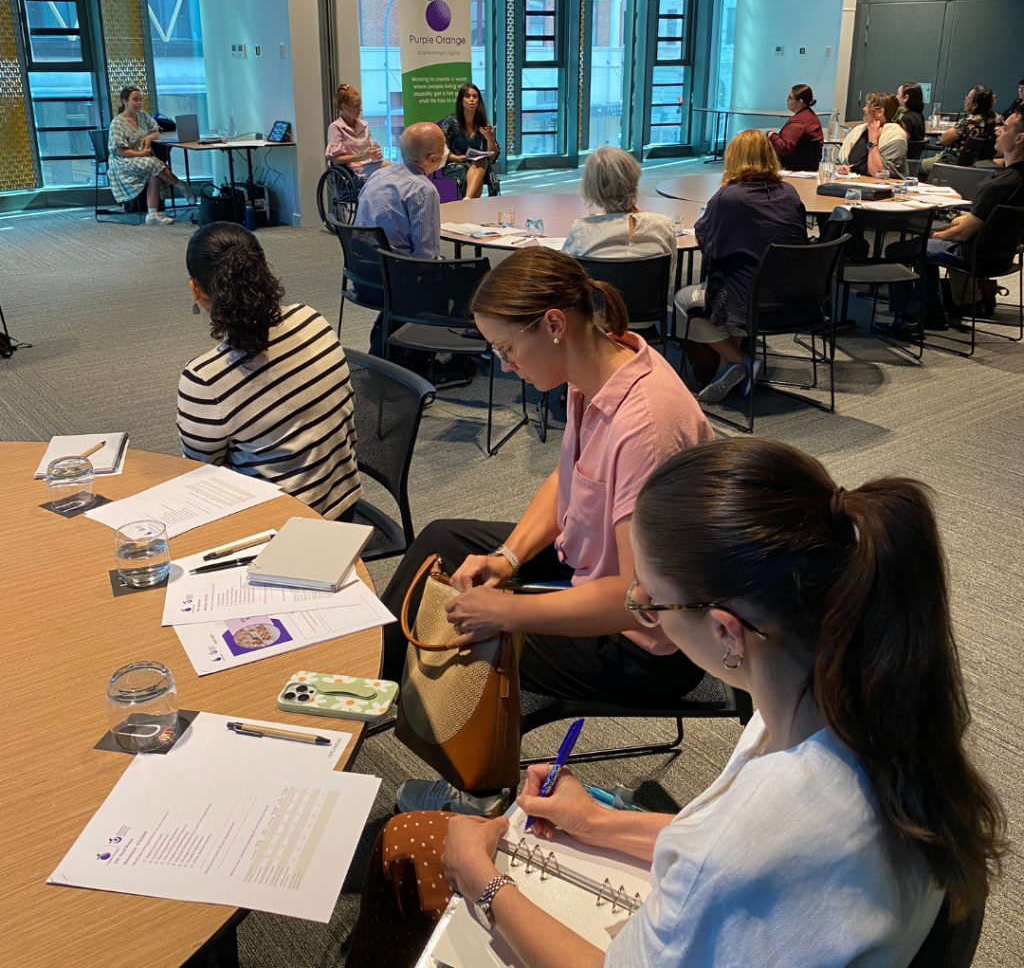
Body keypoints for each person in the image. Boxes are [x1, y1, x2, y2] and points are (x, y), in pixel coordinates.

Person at [346, 437, 1007, 968]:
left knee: (416, 846)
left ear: (725, 630)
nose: (637, 609)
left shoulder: (763, 826)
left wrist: (483, 881)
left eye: (649, 600)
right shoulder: (853, 703)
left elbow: (715, 861)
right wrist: (597, 823)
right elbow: (712, 847)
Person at [376, 247, 713, 817]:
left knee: (479, 636)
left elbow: (639, 602)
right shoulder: (596, 370)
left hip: (648, 648)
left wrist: (507, 613)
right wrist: (506, 559)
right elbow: (568, 481)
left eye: (506, 349)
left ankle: (478, 795)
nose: (504, 365)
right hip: (596, 574)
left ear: (554, 324)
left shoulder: (645, 425)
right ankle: (374, 688)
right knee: (443, 541)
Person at [177, 222, 361, 520]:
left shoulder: (204, 379)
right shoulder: (312, 320)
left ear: (196, 290)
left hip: (279, 529)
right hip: (343, 506)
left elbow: (201, 474)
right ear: (265, 271)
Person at [674, 129, 808, 403]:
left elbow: (708, 242)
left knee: (682, 301)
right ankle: (728, 366)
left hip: (749, 297)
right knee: (735, 280)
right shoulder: (790, 193)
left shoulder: (730, 197)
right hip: (795, 295)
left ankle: (743, 361)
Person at [887, 107, 1024, 335]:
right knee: (925, 246)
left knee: (898, 249)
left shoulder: (996, 187)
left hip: (974, 256)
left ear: (1020, 138)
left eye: (1005, 128)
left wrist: (933, 235)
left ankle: (908, 320)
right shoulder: (1015, 182)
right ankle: (933, 314)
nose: (998, 131)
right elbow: (976, 222)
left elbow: (962, 235)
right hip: (1002, 256)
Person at [561, 146, 675, 277]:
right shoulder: (663, 225)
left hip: (599, 297)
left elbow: (567, 278)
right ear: (634, 177)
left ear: (591, 187)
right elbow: (669, 274)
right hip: (652, 297)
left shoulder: (581, 231)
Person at [354, 122, 445, 260]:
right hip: (399, 274)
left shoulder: (378, 175)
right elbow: (425, 257)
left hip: (362, 270)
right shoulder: (424, 190)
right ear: (432, 158)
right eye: (443, 148)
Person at [107, 86, 194, 225]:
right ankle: (182, 186)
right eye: (135, 99)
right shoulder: (117, 123)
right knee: (153, 163)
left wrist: (148, 138)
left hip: (143, 157)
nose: (139, 103)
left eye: (140, 99)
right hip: (124, 160)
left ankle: (152, 213)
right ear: (125, 101)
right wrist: (141, 153)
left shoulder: (142, 116)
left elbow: (156, 131)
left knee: (154, 167)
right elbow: (120, 150)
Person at [440, 83, 501, 198]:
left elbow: (493, 156)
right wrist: (458, 158)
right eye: (467, 96)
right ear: (461, 100)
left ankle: (467, 200)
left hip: (476, 163)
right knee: (479, 178)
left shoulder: (482, 123)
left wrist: (490, 138)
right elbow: (440, 150)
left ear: (478, 101)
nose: (472, 99)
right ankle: (470, 204)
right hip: (455, 163)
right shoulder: (450, 122)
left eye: (475, 96)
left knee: (482, 161)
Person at [921, 85, 997, 174]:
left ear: (975, 105)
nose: (965, 100)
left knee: (913, 166)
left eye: (968, 98)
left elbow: (944, 140)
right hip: (972, 165)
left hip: (950, 162)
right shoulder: (990, 122)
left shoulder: (969, 122)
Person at [325, 82, 390, 179]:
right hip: (352, 170)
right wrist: (361, 156)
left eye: (360, 105)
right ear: (344, 107)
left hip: (368, 165)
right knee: (388, 168)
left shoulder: (364, 125)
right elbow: (336, 160)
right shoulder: (335, 128)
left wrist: (376, 154)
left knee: (393, 167)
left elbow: (374, 149)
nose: (360, 109)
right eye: (356, 106)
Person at [837, 91, 908, 177]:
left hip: (885, 188)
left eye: (867, 105)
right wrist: (846, 169)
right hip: (854, 184)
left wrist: (873, 140)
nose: (864, 108)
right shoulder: (859, 130)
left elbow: (879, 173)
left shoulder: (895, 135)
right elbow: (839, 163)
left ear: (880, 112)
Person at [767, 83, 823, 171]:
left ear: (800, 102)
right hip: (810, 168)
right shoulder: (813, 117)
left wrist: (772, 135)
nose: (786, 100)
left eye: (790, 98)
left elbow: (785, 148)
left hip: (790, 168)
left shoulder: (797, 121)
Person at [897, 81, 927, 159]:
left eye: (898, 94)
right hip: (913, 161)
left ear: (905, 98)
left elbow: (898, 142)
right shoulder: (919, 115)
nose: (896, 97)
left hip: (902, 161)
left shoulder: (906, 118)